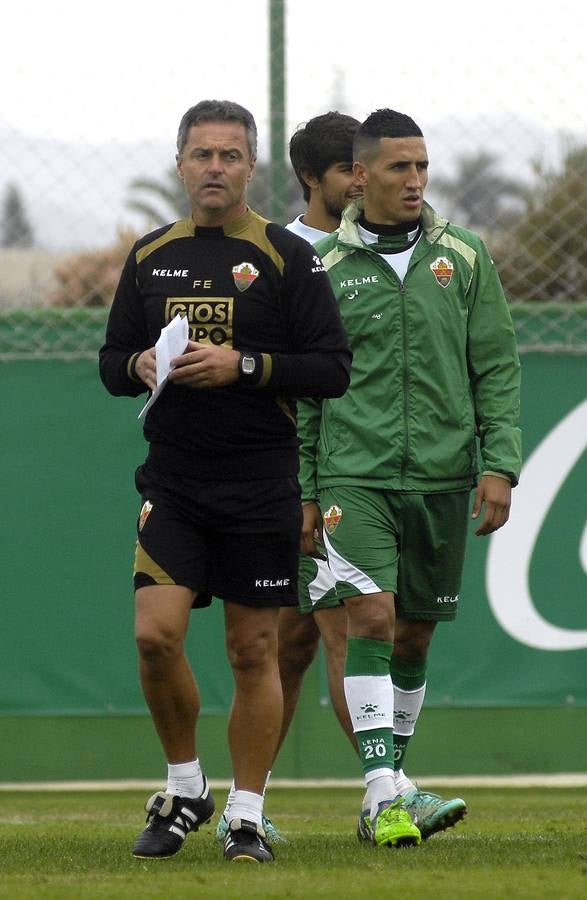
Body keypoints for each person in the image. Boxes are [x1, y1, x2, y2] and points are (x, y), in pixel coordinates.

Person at [98, 99, 352, 864]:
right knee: (154, 637)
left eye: (229, 155)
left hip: (259, 484)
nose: (214, 167)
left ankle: (245, 815)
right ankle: (184, 788)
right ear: (179, 164)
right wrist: (139, 364)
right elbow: (111, 362)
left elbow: (332, 368)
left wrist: (242, 364)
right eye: (201, 154)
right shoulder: (149, 254)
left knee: (252, 650)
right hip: (173, 484)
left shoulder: (285, 256)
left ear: (251, 167)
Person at [298, 108, 522, 848]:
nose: (415, 180)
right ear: (359, 177)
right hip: (350, 476)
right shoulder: (322, 269)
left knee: (414, 639)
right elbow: (304, 396)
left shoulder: (462, 256)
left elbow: (493, 364)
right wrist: (305, 488)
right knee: (369, 620)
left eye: (422, 166)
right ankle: (381, 789)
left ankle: (388, 794)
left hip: (440, 478)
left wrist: (499, 463)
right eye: (399, 167)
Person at [214, 112, 362, 843]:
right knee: (336, 630)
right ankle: (384, 792)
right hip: (295, 475)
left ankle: (248, 805)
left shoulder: (394, 250)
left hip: (362, 465)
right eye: (350, 171)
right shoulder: (277, 254)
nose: (363, 184)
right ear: (314, 177)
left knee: (301, 641)